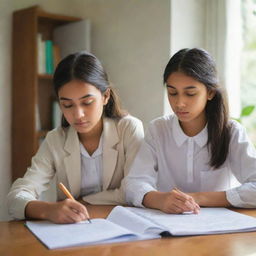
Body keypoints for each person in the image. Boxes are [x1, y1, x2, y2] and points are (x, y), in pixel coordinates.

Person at [8, 51, 144, 223]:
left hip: (122, 226)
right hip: (74, 229)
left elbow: (133, 190)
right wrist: (47, 209)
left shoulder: (129, 129)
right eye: (67, 105)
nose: (78, 114)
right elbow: (15, 197)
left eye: (87, 103)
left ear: (105, 96)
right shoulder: (55, 139)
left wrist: (83, 202)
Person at [125, 48, 256, 214]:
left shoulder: (231, 133)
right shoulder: (158, 130)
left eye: (190, 93)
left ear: (210, 92)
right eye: (173, 93)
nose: (179, 103)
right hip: (167, 225)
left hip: (219, 230)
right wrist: (161, 199)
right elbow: (134, 183)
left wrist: (198, 198)